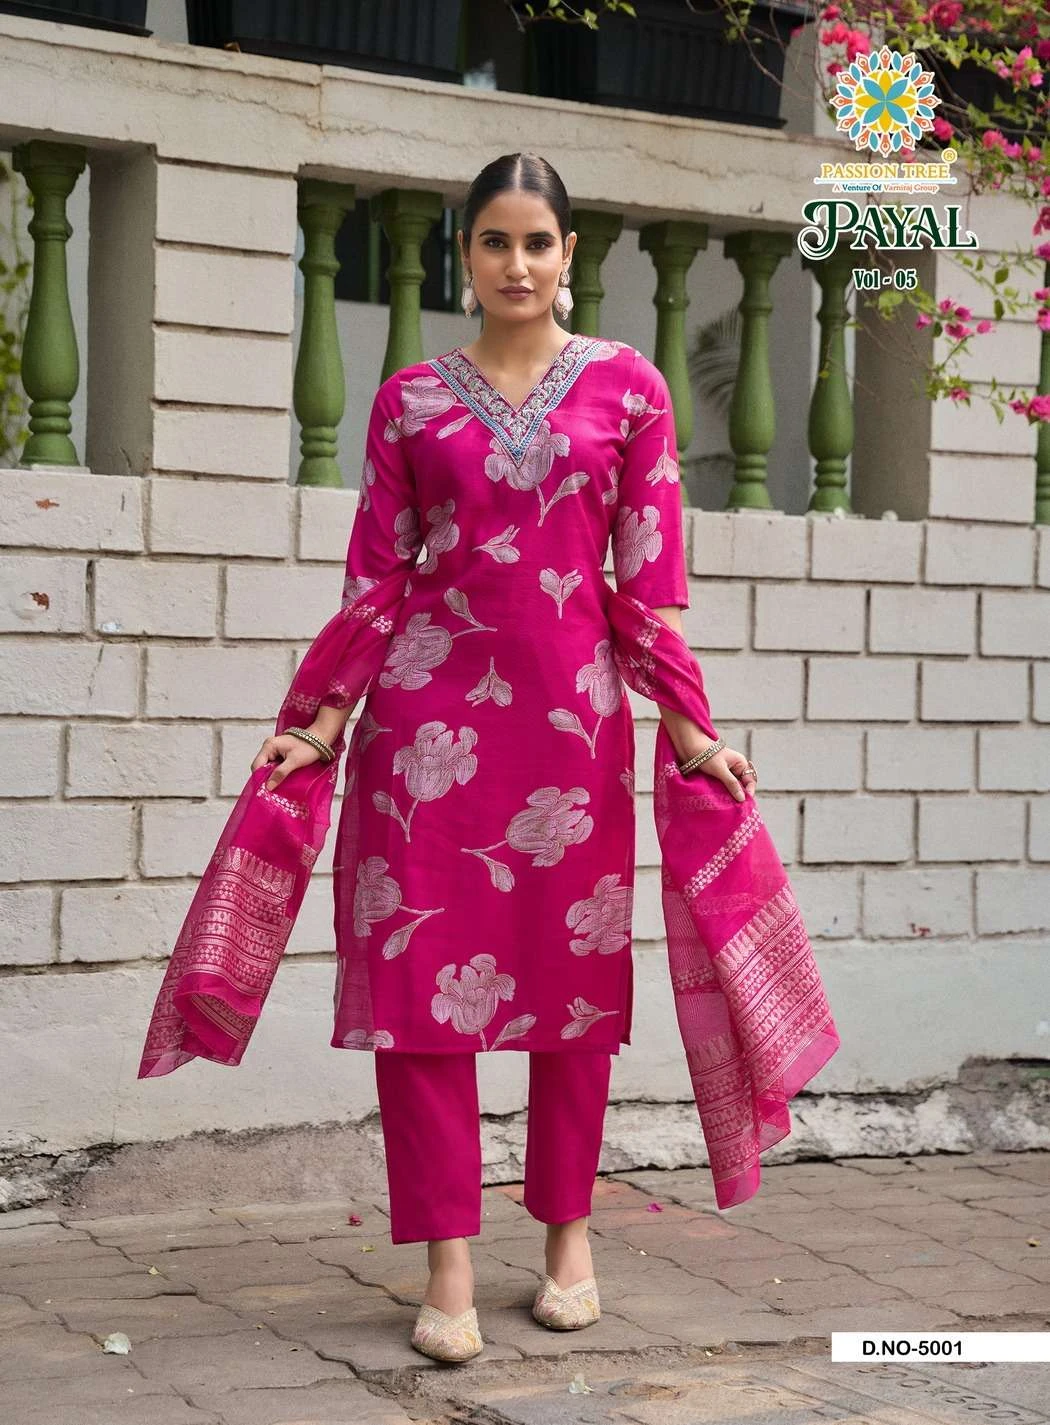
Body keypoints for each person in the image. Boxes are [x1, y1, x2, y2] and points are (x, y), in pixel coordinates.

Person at [250, 153, 755, 1364]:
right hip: (424, 737)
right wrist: (322, 721)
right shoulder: (410, 402)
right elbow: (379, 582)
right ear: (464, 255)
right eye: (494, 241)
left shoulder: (629, 390)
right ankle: (449, 1262)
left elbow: (647, 588)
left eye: (537, 242)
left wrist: (692, 729)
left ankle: (569, 1239)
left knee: (570, 991)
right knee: (422, 1000)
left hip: (574, 731)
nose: (516, 264)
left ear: (569, 255)